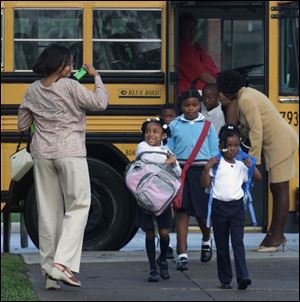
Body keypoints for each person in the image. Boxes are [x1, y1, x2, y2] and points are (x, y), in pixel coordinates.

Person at [18, 44, 109, 289]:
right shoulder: (70, 85)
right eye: (68, 64)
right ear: (59, 65)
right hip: (70, 152)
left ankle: (49, 274)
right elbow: (99, 103)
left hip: (42, 155)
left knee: (49, 213)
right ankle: (62, 265)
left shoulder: (32, 89)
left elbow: (23, 124)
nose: (71, 68)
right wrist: (96, 77)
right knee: (79, 205)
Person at [216, 69, 299, 251]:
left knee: (279, 187)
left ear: (229, 90)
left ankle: (276, 236)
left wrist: (252, 162)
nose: (219, 95)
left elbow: (256, 130)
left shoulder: (246, 99)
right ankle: (276, 234)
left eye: (220, 91)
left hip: (280, 143)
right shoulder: (244, 97)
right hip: (276, 143)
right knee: (277, 188)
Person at [201, 124, 261, 290]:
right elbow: (204, 184)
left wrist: (251, 165)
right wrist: (206, 168)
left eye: (236, 145)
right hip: (219, 207)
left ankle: (243, 277)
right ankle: (225, 279)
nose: (233, 149)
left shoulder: (242, 163)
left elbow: (258, 177)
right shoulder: (216, 163)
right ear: (221, 146)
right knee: (221, 245)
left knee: (237, 242)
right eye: (229, 146)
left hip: (236, 207)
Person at [167, 89, 219, 270]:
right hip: (180, 172)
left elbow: (214, 151)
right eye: (186, 105)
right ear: (181, 107)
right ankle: (182, 254)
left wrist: (211, 170)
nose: (190, 109)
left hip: (201, 171)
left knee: (202, 213)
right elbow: (169, 148)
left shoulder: (207, 125)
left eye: (194, 105)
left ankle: (206, 240)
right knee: (182, 212)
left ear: (200, 105)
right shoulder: (174, 125)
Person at [135, 118, 182, 282]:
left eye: (155, 131)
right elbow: (147, 158)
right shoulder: (142, 148)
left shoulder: (167, 151)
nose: (150, 134)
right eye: (147, 131)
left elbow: (177, 172)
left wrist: (174, 163)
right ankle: (152, 268)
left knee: (164, 233)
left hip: (162, 198)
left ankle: (162, 259)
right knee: (149, 233)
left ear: (163, 136)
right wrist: (166, 161)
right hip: (146, 197)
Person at [178, 12, 219, 95]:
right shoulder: (183, 47)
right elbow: (202, 75)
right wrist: (221, 86)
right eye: (187, 29)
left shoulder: (195, 47)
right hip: (191, 94)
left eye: (193, 28)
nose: (192, 32)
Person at [160, 103, 178, 260]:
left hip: (175, 177)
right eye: (164, 116)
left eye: (170, 116)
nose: (167, 120)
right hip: (162, 180)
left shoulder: (177, 135)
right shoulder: (159, 137)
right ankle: (168, 245)